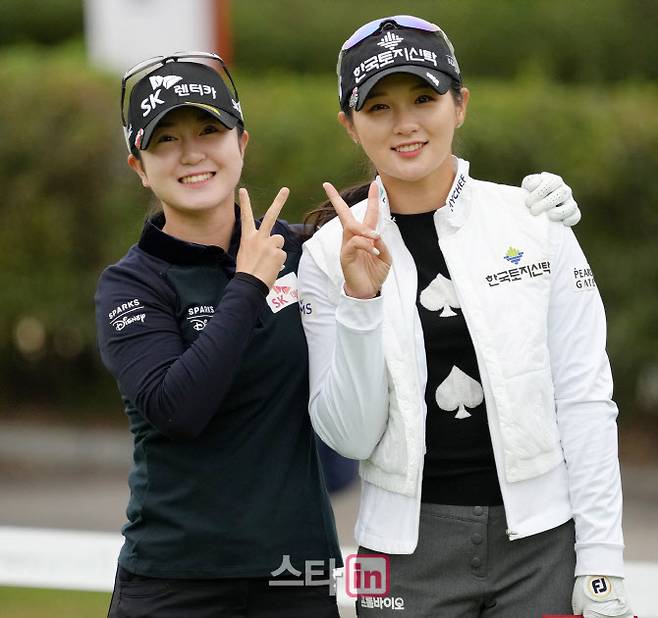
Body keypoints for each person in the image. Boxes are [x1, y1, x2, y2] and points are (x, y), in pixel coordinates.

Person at [298, 16, 633, 618]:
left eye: (424, 98)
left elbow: (585, 399)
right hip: (398, 554)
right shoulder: (326, 256)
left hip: (544, 545)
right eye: (378, 107)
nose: (405, 123)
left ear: (460, 105)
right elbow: (348, 437)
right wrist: (361, 303)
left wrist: (602, 560)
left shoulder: (536, 222)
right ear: (350, 125)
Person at [95, 52, 342, 618]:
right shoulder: (131, 283)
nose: (192, 153)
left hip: (296, 572)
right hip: (174, 577)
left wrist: (525, 215)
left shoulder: (306, 253)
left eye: (210, 130)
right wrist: (248, 285)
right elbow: (178, 408)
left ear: (241, 143)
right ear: (139, 166)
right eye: (166, 140)